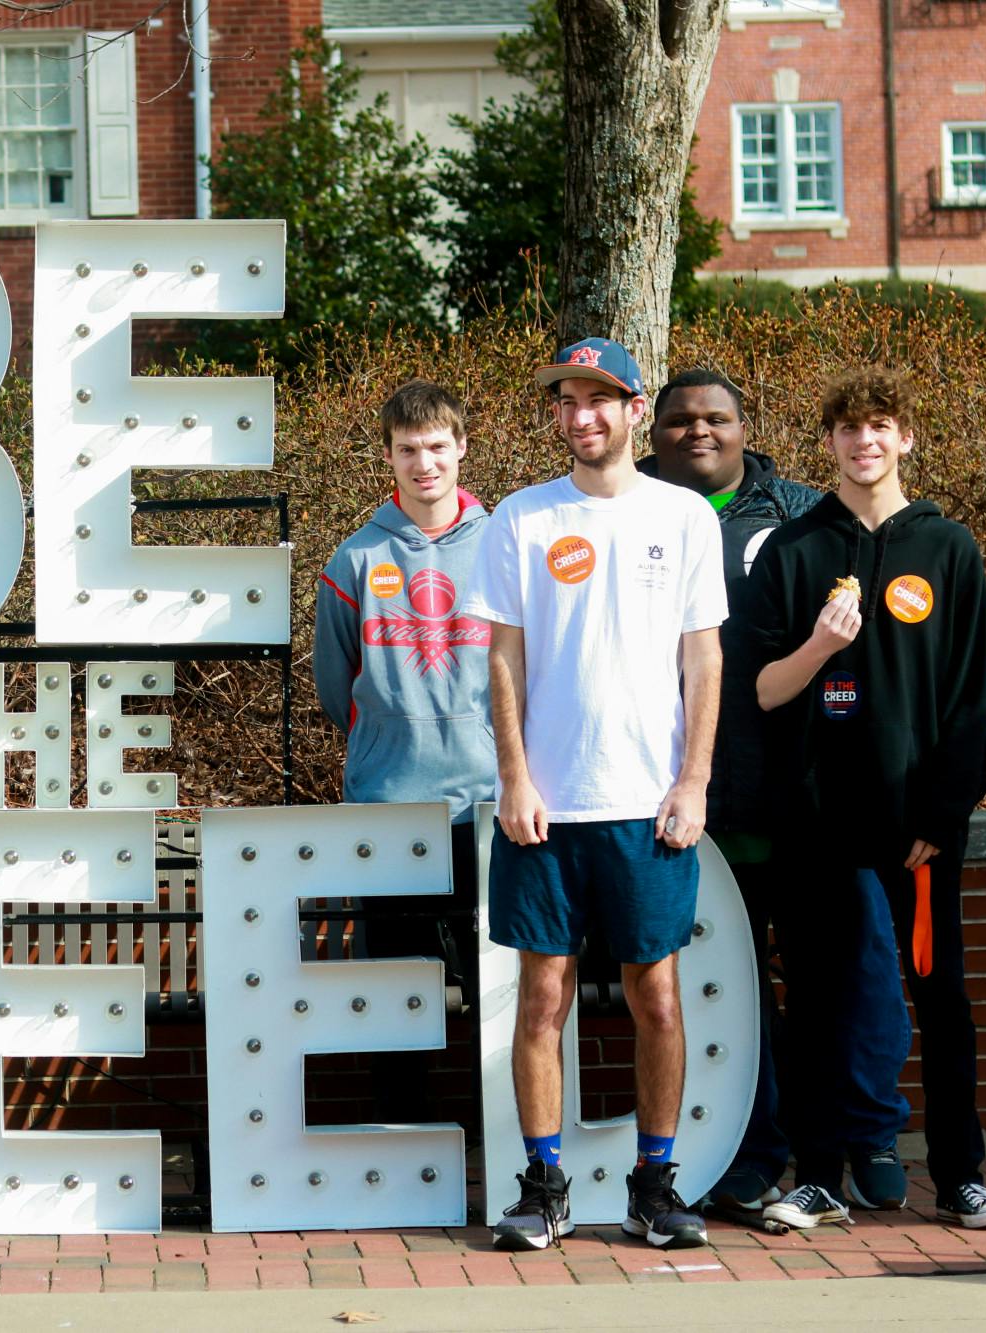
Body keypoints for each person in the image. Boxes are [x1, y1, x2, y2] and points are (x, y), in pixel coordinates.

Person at [464, 338, 727, 1251]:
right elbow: (504, 657)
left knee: (658, 998)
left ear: (633, 409)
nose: (582, 416)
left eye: (600, 399)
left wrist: (693, 779)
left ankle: (654, 1186)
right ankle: (544, 1188)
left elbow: (704, 658)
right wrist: (514, 776)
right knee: (542, 1000)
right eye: (568, 401)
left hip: (648, 804)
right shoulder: (522, 518)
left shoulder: (684, 516)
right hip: (547, 808)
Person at [640, 370, 914, 1220]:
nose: (698, 431)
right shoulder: (630, 516)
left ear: (743, 426)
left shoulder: (800, 514)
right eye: (680, 420)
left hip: (808, 795)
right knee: (733, 985)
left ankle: (869, 1135)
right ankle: (753, 1149)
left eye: (716, 417)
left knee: (858, 965)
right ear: (654, 433)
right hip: (693, 800)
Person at [742, 367, 986, 1231]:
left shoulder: (949, 548)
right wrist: (819, 644)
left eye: (880, 426)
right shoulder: (793, 550)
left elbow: (969, 699)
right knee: (817, 996)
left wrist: (943, 814)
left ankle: (960, 1173)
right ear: (828, 443)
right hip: (817, 819)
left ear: (906, 437)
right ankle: (817, 1173)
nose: (864, 442)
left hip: (917, 824)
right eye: (849, 429)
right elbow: (763, 690)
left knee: (941, 994)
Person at [312, 379, 492, 1119]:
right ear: (387, 456)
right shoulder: (355, 559)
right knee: (395, 985)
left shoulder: (504, 548)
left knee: (497, 984)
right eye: (408, 449)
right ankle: (402, 1128)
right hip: (390, 805)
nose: (425, 463)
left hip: (491, 805)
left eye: (438, 447)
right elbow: (337, 687)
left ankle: (500, 1134)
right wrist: (389, 740)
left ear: (462, 448)